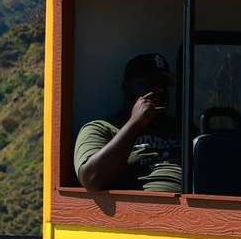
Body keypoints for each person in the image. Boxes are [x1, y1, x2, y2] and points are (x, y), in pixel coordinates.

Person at [74, 53, 183, 193]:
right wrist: (135, 123)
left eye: (163, 85)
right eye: (149, 84)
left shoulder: (183, 128)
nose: (159, 91)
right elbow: (91, 179)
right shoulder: (102, 128)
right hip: (143, 204)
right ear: (126, 87)